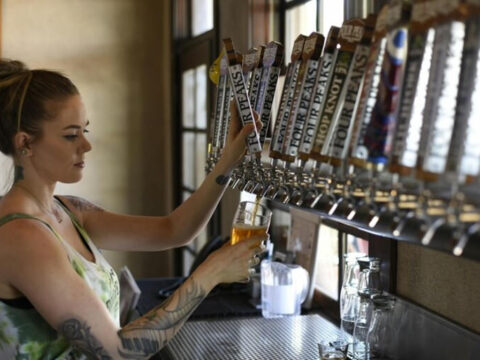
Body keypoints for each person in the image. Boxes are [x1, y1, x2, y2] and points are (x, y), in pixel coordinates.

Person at [0, 59, 265, 359]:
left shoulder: (69, 211)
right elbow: (118, 352)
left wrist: (228, 161)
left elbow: (174, 230)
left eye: (85, 130)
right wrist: (211, 274)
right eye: (71, 134)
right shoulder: (21, 236)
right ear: (25, 144)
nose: (86, 145)